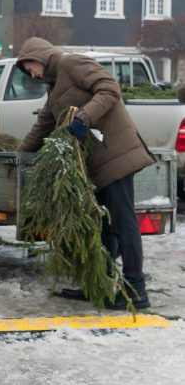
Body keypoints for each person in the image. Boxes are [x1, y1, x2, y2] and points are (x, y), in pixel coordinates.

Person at [16, 37, 154, 309]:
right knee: (103, 228)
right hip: (96, 165)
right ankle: (99, 285)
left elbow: (110, 89)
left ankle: (136, 289)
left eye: (29, 66)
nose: (30, 73)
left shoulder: (72, 62)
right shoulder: (54, 88)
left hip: (115, 155)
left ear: (40, 56)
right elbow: (43, 124)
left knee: (123, 224)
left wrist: (84, 117)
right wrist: (17, 155)